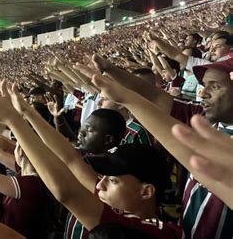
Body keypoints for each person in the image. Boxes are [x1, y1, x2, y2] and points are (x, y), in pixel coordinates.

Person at [0, 80, 182, 238]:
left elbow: (66, 193)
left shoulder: (152, 231)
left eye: (113, 180)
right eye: (104, 176)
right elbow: (71, 159)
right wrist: (27, 113)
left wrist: (14, 120)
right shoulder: (119, 203)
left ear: (145, 191)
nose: (100, 183)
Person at [87, 55, 233, 238]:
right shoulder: (204, 119)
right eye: (205, 85)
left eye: (216, 86)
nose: (203, 93)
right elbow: (154, 96)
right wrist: (110, 70)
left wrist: (127, 98)